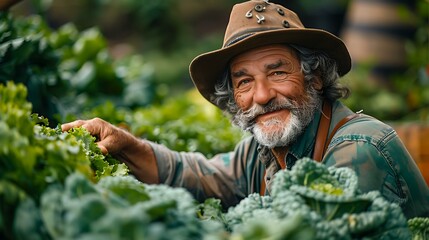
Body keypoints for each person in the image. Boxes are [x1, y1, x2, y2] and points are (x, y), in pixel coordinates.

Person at [62, 0, 429, 218]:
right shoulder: (266, 151)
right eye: (244, 82)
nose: (262, 95)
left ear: (315, 78)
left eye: (278, 72)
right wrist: (128, 146)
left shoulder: (359, 150)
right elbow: (204, 175)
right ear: (233, 97)